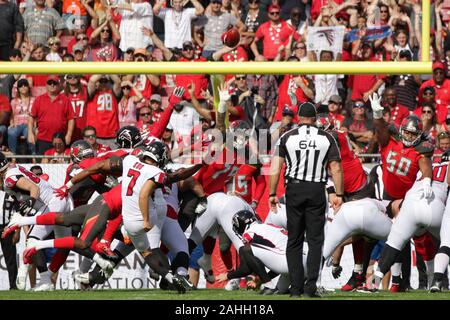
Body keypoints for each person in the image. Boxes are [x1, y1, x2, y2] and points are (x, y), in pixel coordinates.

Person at [269, 102, 344, 298]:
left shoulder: (287, 137)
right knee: (315, 241)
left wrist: (271, 193)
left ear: (299, 118)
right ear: (315, 119)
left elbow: (275, 167)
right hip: (316, 189)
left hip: (294, 189)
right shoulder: (326, 138)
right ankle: (310, 287)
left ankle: (295, 289)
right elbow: (335, 168)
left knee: (294, 240)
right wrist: (340, 194)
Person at [28, 75, 75, 155]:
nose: (52, 85)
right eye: (50, 83)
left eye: (54, 83)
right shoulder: (39, 99)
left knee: (61, 164)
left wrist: (69, 135)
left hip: (60, 140)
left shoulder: (65, 100)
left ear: (59, 85)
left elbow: (71, 119)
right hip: (43, 139)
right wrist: (30, 133)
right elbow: (31, 117)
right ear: (46, 85)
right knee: (42, 165)